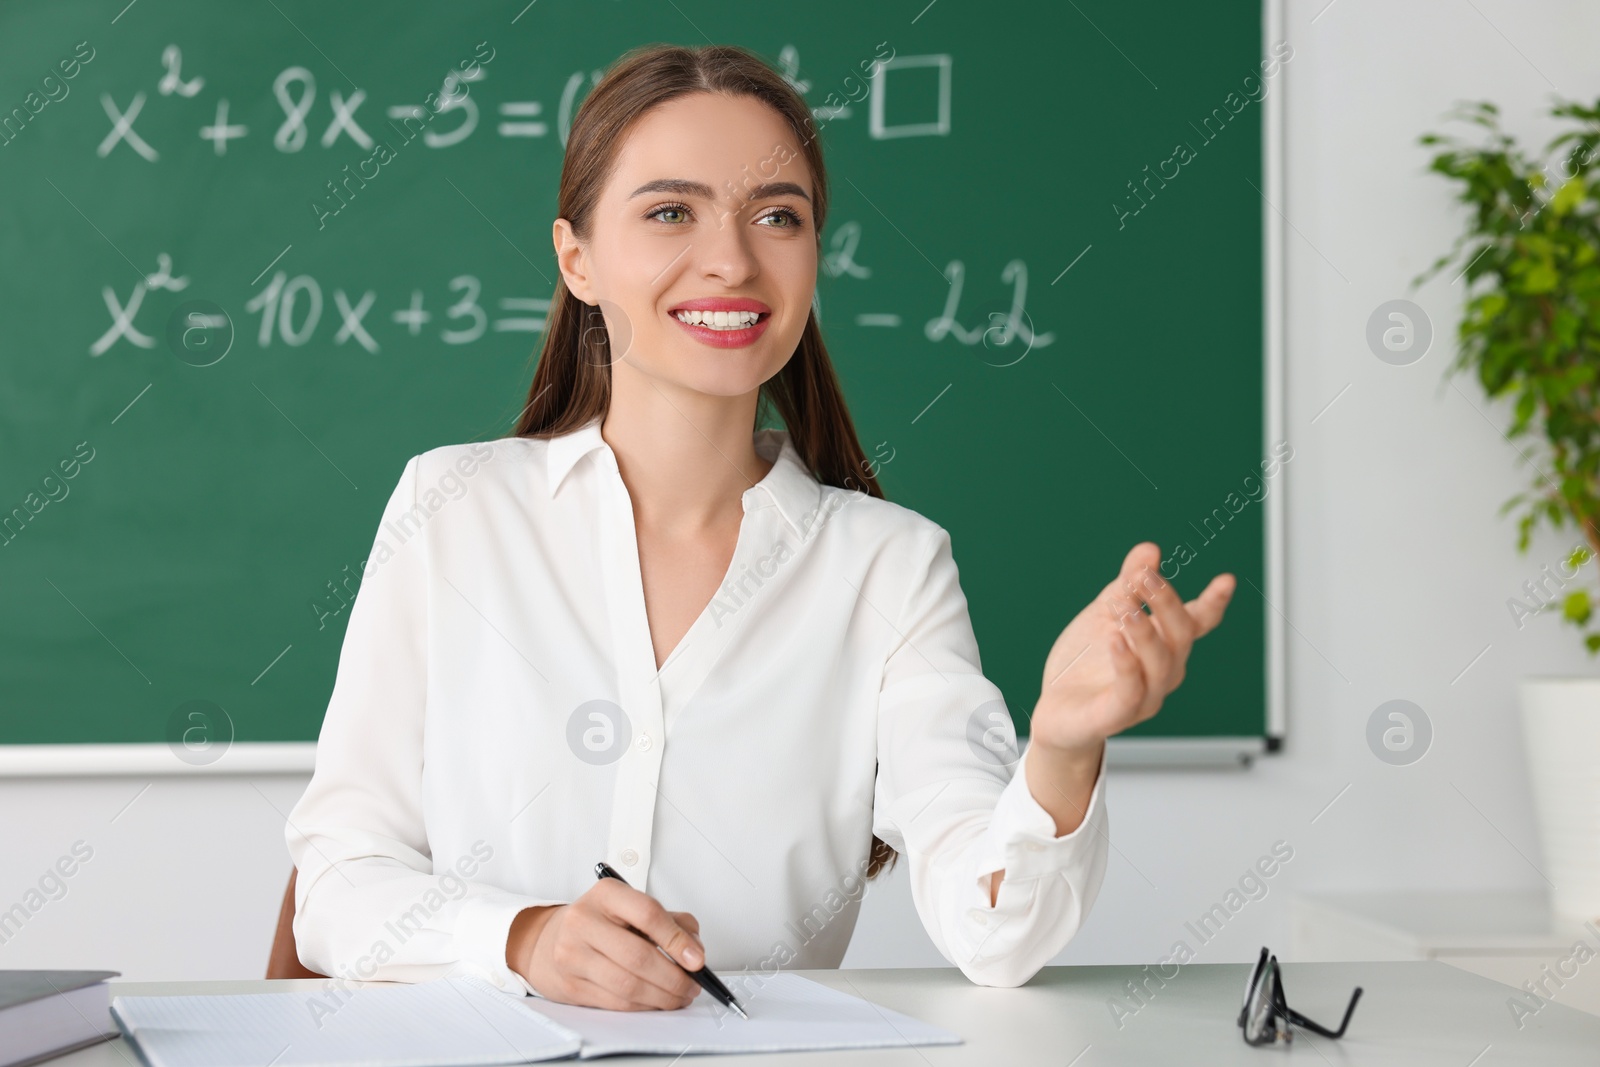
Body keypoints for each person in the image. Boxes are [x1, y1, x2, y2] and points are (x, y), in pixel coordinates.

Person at [285, 42, 1235, 1012]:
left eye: (777, 215)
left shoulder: (889, 565)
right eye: (669, 212)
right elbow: (335, 880)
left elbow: (996, 931)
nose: (733, 259)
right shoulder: (456, 510)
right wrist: (523, 937)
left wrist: (1062, 749)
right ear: (577, 258)